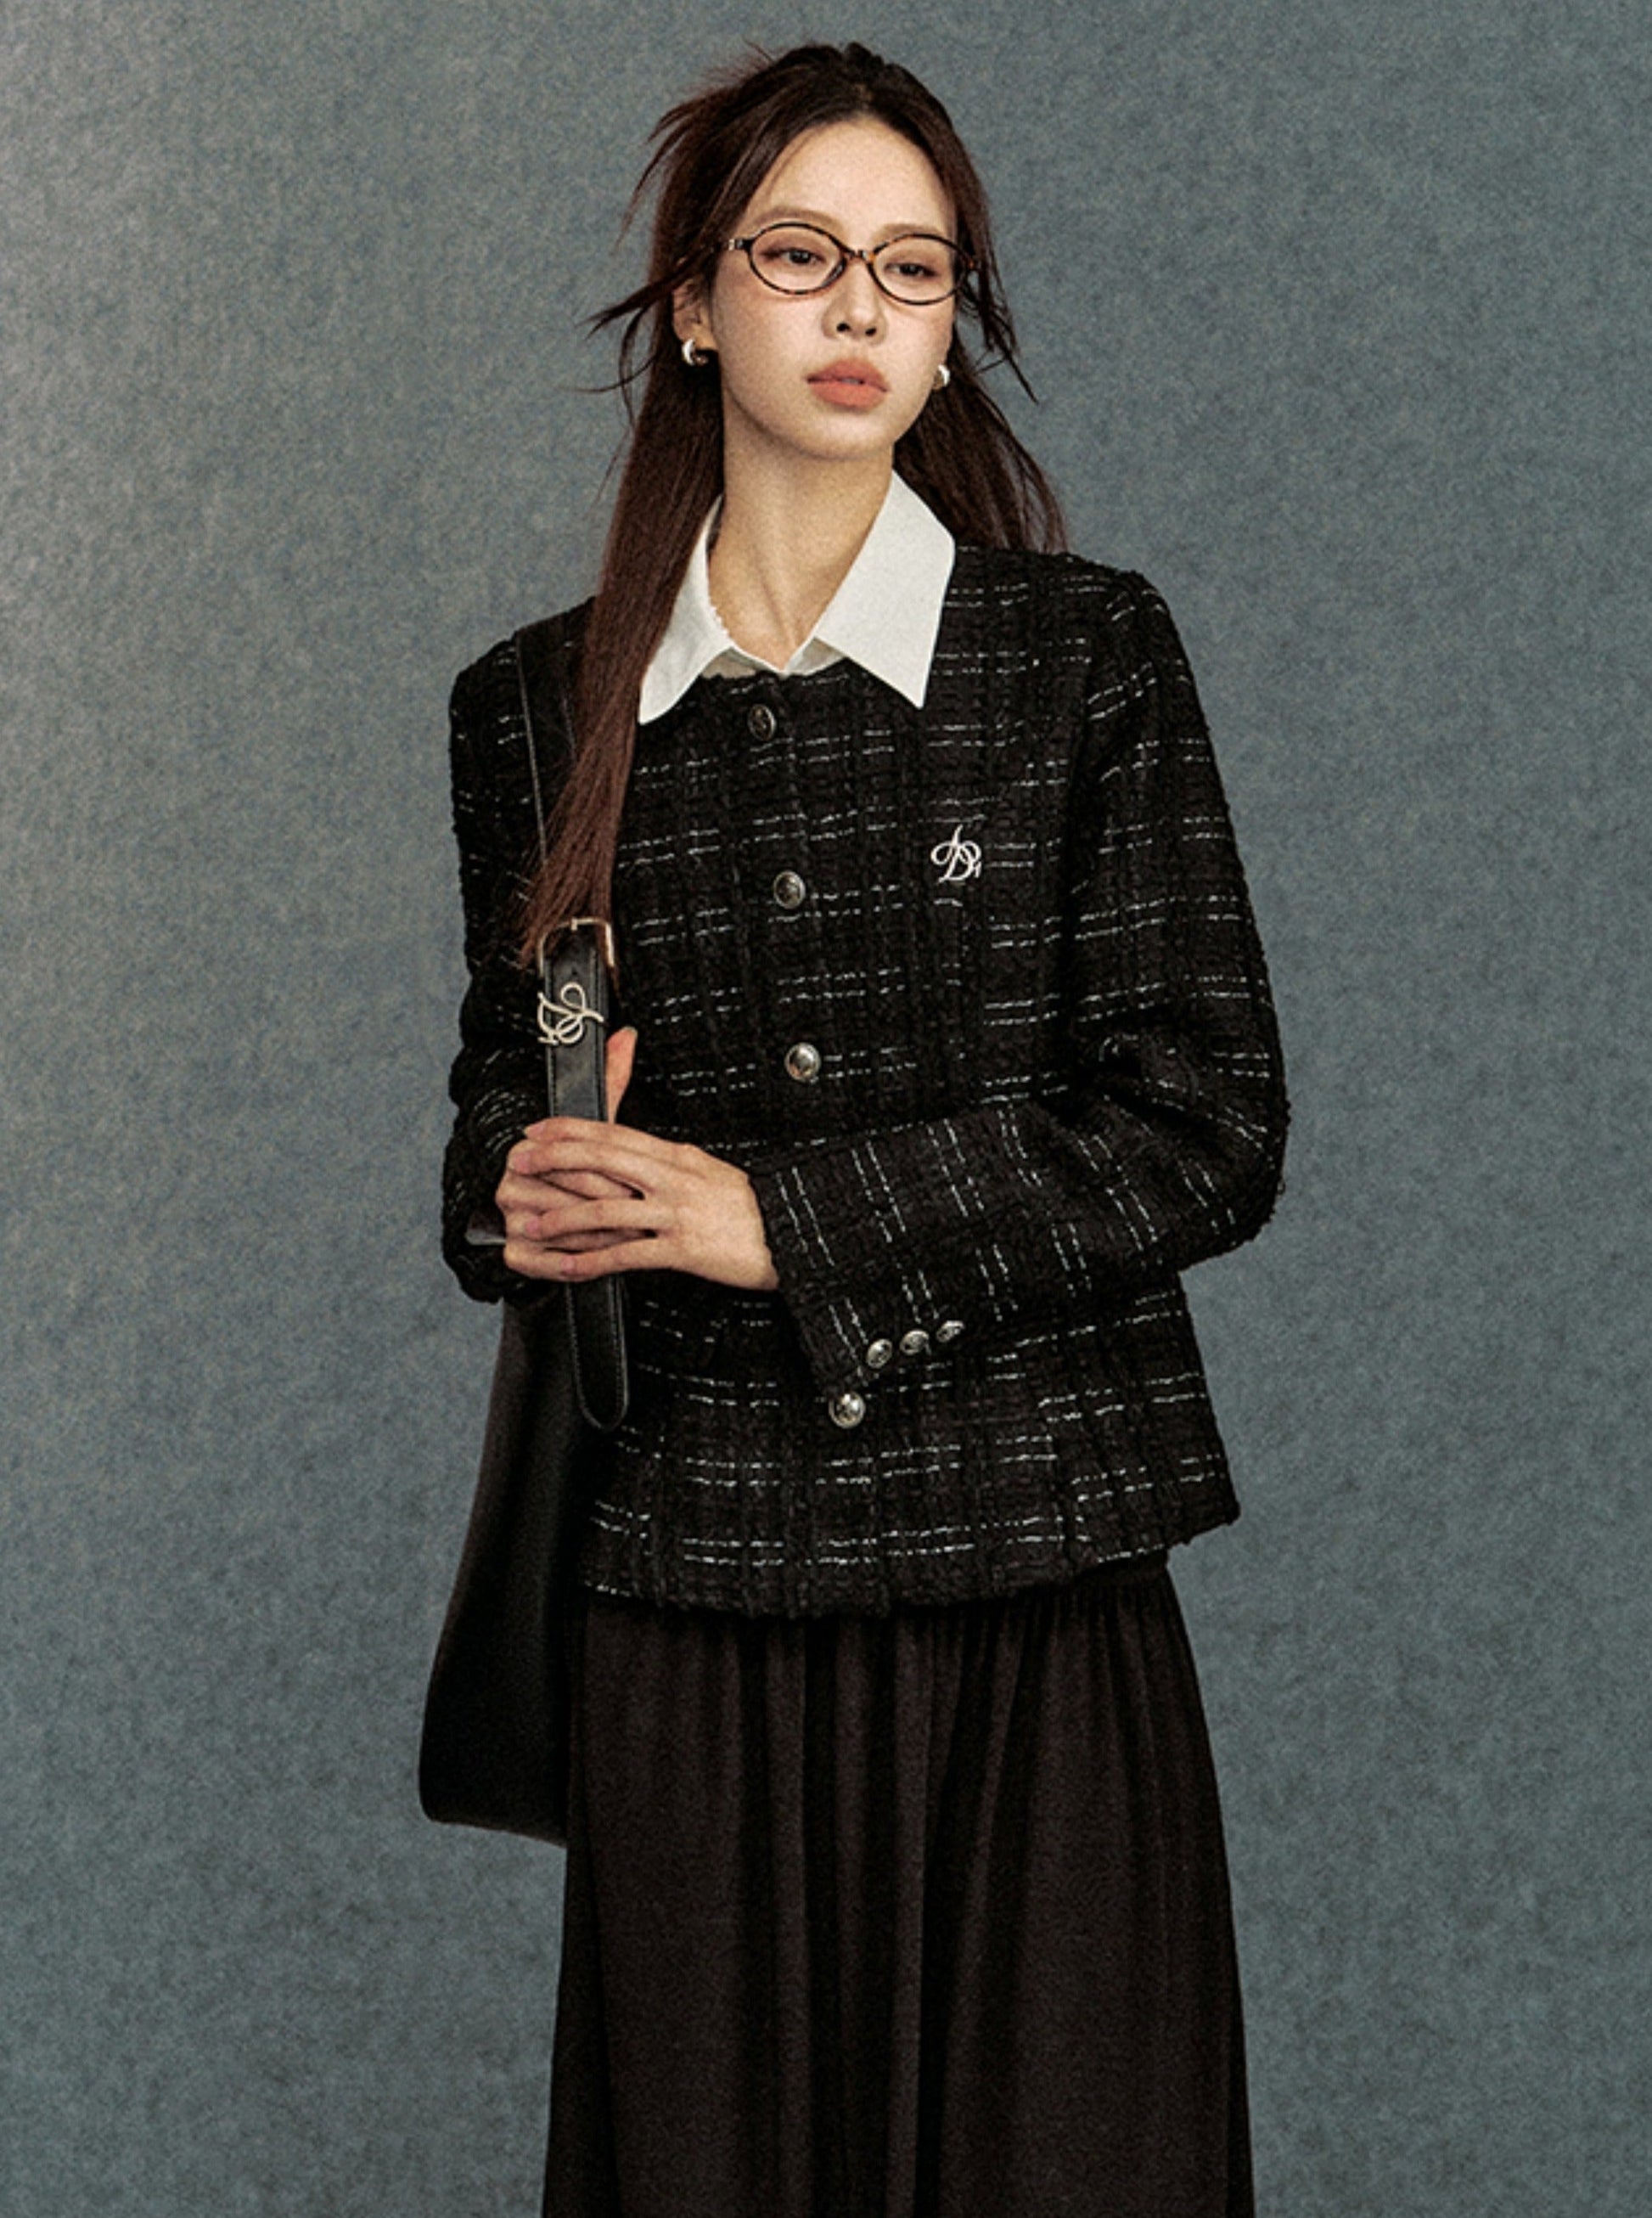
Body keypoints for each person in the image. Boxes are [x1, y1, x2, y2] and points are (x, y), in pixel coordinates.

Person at [440, 40, 1287, 2218]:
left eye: (912, 271)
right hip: (686, 1604)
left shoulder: (1084, 657)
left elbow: (1204, 1121)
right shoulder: (535, 706)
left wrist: (780, 1222)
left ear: (948, 320)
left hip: (1038, 1591)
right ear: (695, 302)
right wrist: (519, 1182)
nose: (858, 311)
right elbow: (501, 1100)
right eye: (800, 254)